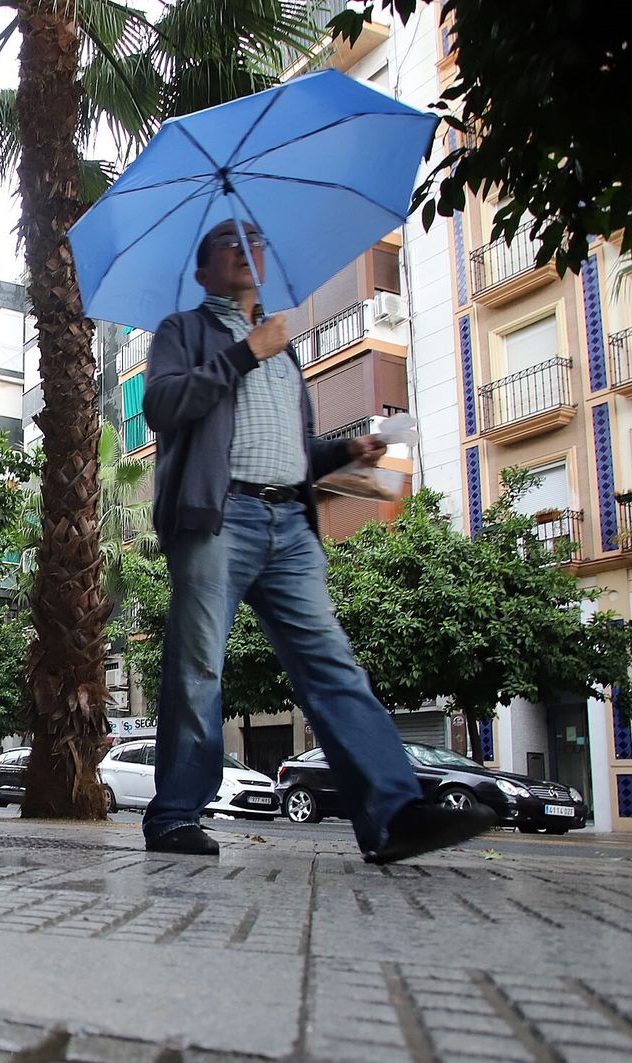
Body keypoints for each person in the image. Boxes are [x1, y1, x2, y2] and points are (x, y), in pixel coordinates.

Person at [140, 219, 496, 863]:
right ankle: (174, 817)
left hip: (291, 526)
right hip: (221, 514)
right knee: (198, 670)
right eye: (231, 243)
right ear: (202, 271)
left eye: (257, 240)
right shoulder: (184, 332)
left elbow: (290, 450)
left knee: (333, 666)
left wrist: (344, 451)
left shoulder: (283, 349)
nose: (249, 250)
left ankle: (392, 815)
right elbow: (163, 407)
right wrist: (246, 351)